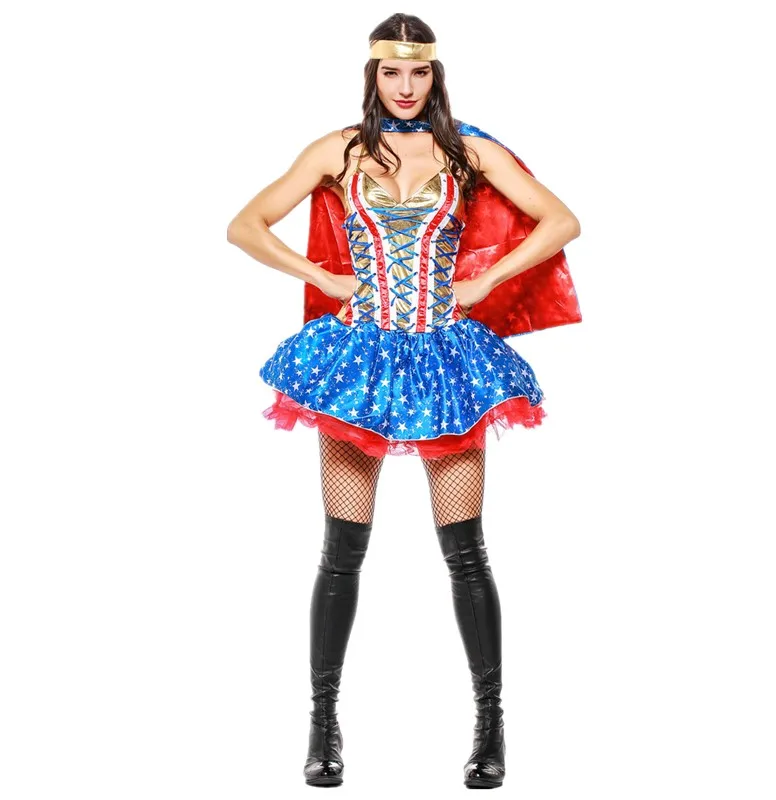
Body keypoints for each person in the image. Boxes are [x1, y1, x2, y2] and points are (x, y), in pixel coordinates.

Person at [227, 13, 581, 789]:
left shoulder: (468, 152)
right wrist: (323, 277)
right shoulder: (339, 150)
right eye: (393, 72)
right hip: (357, 366)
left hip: (445, 364)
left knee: (466, 552)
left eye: (419, 72)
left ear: (435, 74)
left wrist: (485, 281)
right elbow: (244, 226)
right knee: (341, 552)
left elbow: (562, 220)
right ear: (374, 75)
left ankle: (490, 727)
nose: (406, 86)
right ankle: (323, 726)